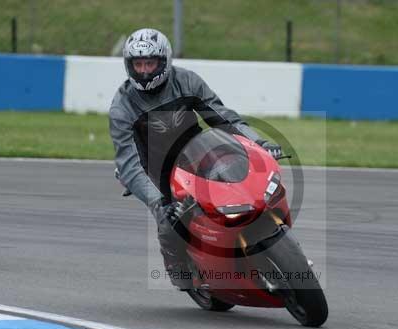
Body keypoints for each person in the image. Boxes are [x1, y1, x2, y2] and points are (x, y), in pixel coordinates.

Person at [109, 28, 282, 290]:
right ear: (129, 66)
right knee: (170, 216)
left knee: (238, 185)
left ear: (164, 62)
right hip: (154, 169)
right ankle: (177, 266)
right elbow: (128, 163)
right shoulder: (122, 107)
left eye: (150, 63)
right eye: (138, 64)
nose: (144, 71)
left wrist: (259, 143)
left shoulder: (186, 81)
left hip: (198, 152)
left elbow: (222, 117)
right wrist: (157, 201)